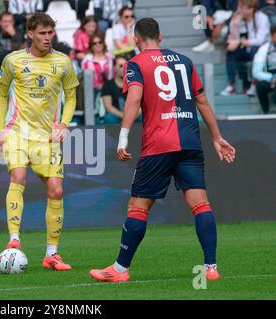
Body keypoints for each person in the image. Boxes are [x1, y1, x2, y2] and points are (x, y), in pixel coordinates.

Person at [89, 17, 236, 282]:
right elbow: (201, 101)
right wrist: (217, 137)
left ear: (135, 39)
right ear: (161, 36)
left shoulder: (136, 64)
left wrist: (122, 138)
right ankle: (211, 267)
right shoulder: (185, 61)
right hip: (190, 141)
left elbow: (134, 98)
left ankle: (120, 270)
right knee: (200, 205)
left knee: (137, 206)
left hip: (159, 145)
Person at [0, 13, 79, 270]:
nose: (47, 38)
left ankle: (51, 254)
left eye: (50, 33)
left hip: (47, 137)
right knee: (17, 177)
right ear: (30, 34)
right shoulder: (13, 61)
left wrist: (63, 123)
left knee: (56, 190)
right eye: (42, 33)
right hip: (18, 132)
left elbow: (71, 96)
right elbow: (1, 95)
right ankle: (14, 240)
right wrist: (2, 130)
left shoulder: (63, 63)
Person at [220, 0, 270, 96]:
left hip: (261, 52)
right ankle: (231, 85)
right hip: (245, 49)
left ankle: (254, 84)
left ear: (250, 9)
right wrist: (234, 26)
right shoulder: (238, 18)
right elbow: (232, 40)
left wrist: (239, 42)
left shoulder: (261, 17)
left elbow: (260, 40)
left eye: (242, 8)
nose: (239, 10)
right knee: (231, 51)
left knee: (255, 49)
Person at [252, 24, 276, 113]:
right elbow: (256, 72)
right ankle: (265, 111)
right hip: (269, 80)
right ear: (272, 35)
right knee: (261, 86)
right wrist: (272, 78)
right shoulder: (263, 49)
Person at [101, 56, 127, 124]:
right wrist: (123, 116)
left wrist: (131, 116)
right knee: (109, 118)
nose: (124, 68)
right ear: (114, 68)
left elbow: (140, 105)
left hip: (133, 115)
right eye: (121, 66)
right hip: (116, 115)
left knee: (143, 116)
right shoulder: (108, 85)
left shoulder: (134, 84)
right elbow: (108, 107)